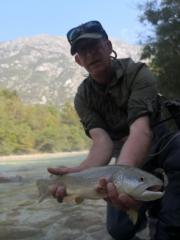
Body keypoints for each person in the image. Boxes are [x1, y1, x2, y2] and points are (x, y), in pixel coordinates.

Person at [48, 20, 180, 240]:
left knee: (172, 224)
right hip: (127, 156)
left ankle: (165, 220)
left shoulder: (138, 73)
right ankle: (150, 206)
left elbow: (140, 130)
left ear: (108, 47)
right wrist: (81, 172)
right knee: (119, 231)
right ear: (78, 60)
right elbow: (102, 143)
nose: (90, 54)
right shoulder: (83, 97)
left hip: (164, 144)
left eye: (95, 46)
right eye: (83, 51)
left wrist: (123, 174)